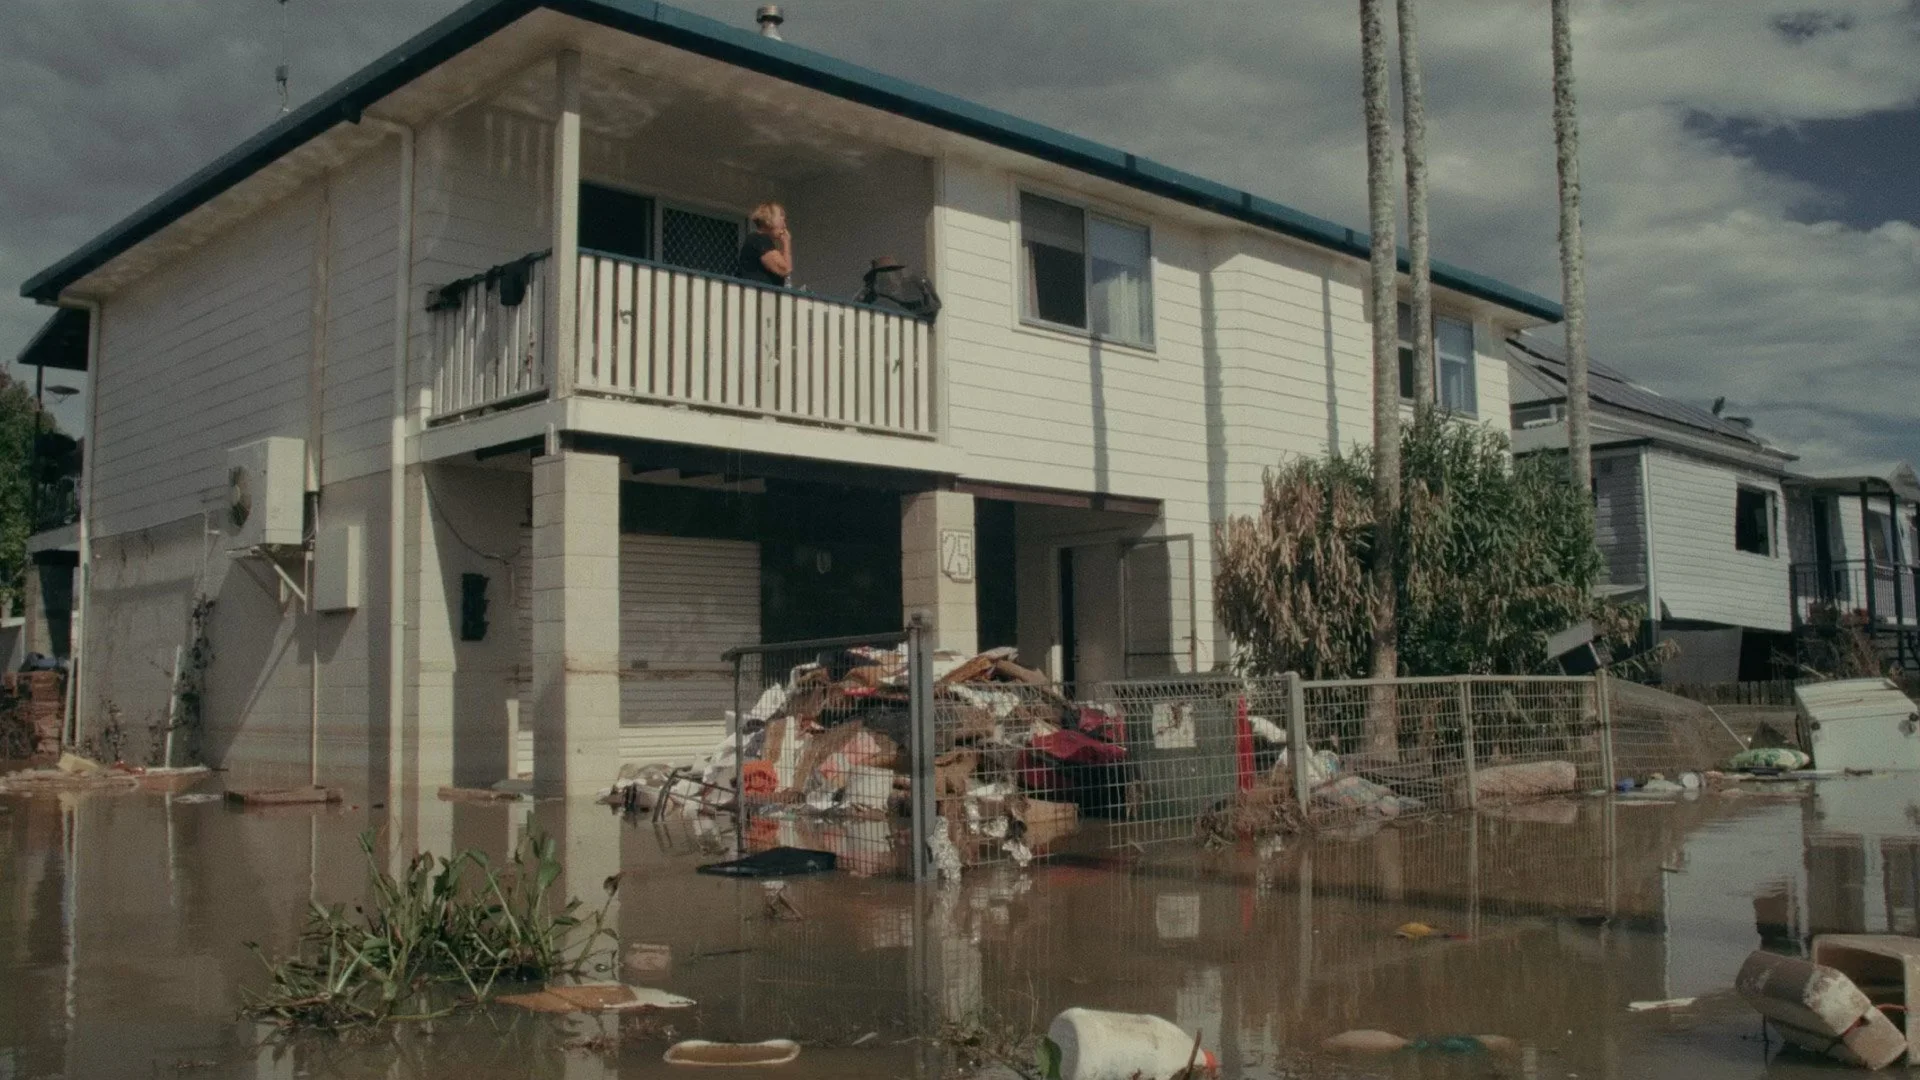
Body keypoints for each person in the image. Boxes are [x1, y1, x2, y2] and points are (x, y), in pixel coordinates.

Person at [736, 202, 792, 287]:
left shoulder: (762, 241)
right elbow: (785, 269)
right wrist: (786, 242)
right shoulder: (759, 239)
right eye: (781, 219)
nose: (784, 225)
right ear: (769, 218)